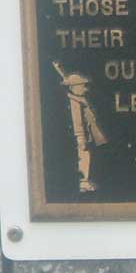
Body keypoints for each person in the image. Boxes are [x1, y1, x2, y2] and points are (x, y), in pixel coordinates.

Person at [52, 62, 108, 192]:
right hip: (80, 135)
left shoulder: (79, 100)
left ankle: (84, 180)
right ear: (75, 88)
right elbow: (77, 121)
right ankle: (82, 181)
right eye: (82, 86)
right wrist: (81, 137)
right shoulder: (75, 103)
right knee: (83, 156)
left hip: (84, 134)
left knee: (84, 156)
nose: (85, 89)